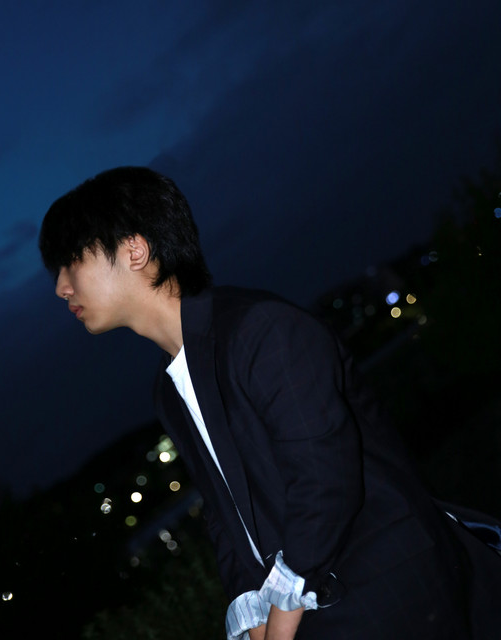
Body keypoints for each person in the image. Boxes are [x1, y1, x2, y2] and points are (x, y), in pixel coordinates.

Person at [38, 166, 501, 639]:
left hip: (388, 592)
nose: (61, 287)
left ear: (135, 251)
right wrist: (250, 609)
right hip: (319, 610)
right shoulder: (168, 389)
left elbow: (324, 478)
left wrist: (280, 614)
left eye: (71, 261)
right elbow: (224, 515)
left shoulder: (260, 330)